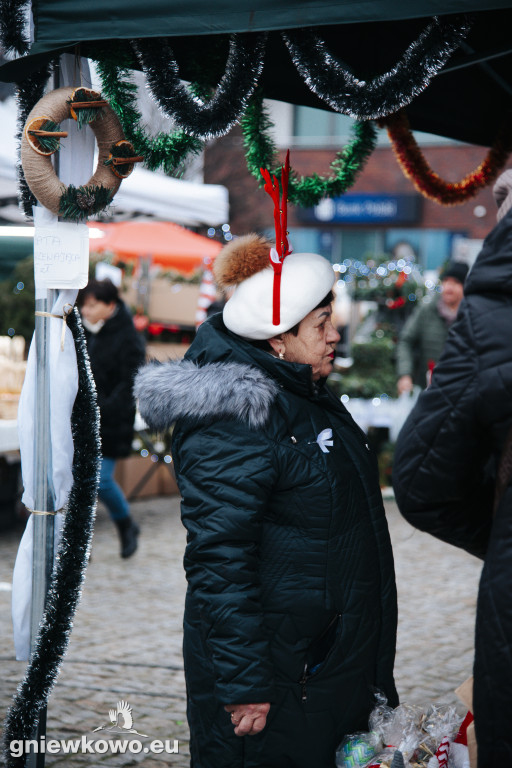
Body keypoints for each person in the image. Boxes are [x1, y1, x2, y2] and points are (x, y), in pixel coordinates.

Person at [135, 234, 398, 768]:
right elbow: (220, 560)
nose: (336, 333)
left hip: (323, 660)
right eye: (321, 323)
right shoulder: (234, 418)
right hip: (280, 676)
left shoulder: (303, 393)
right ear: (278, 338)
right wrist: (244, 681)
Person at [392, 169, 512, 768]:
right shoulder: (441, 313)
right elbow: (410, 343)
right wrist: (413, 372)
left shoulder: (491, 307)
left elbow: (422, 482)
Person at [77, 279, 145, 558]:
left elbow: (130, 382)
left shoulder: (127, 337)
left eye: (93, 305)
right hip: (85, 420)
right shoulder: (88, 331)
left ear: (110, 305)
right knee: (79, 480)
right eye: (84, 304)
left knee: (99, 480)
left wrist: (103, 407)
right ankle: (79, 543)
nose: (86, 310)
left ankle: (125, 523)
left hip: (110, 421)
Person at [395, 260, 468, 394]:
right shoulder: (427, 310)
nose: (449, 287)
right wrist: (405, 374)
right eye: (446, 281)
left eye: (456, 283)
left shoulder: (472, 316)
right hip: (427, 389)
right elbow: (406, 341)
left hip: (463, 391)